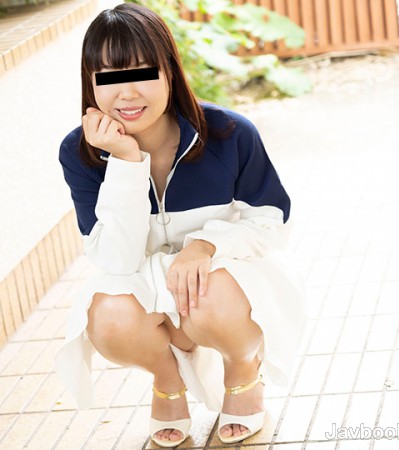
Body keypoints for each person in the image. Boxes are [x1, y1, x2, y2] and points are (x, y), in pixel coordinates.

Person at [53, 3, 307, 447]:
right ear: (89, 83)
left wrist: (205, 246)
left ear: (169, 70)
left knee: (210, 295)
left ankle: (244, 369)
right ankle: (167, 380)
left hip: (228, 284)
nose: (127, 94)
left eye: (142, 73)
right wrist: (126, 162)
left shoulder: (228, 133)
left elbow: (272, 221)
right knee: (107, 316)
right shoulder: (81, 153)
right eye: (108, 78)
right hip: (151, 289)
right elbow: (116, 261)